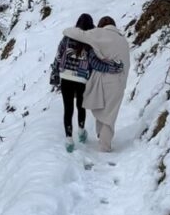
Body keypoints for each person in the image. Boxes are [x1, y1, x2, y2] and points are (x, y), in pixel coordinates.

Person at [50, 13, 123, 153]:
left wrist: (55, 75)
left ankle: (69, 140)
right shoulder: (90, 42)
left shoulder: (66, 38)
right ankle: (82, 132)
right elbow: (95, 64)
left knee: (68, 109)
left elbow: (58, 57)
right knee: (80, 107)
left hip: (66, 77)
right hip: (82, 80)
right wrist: (113, 67)